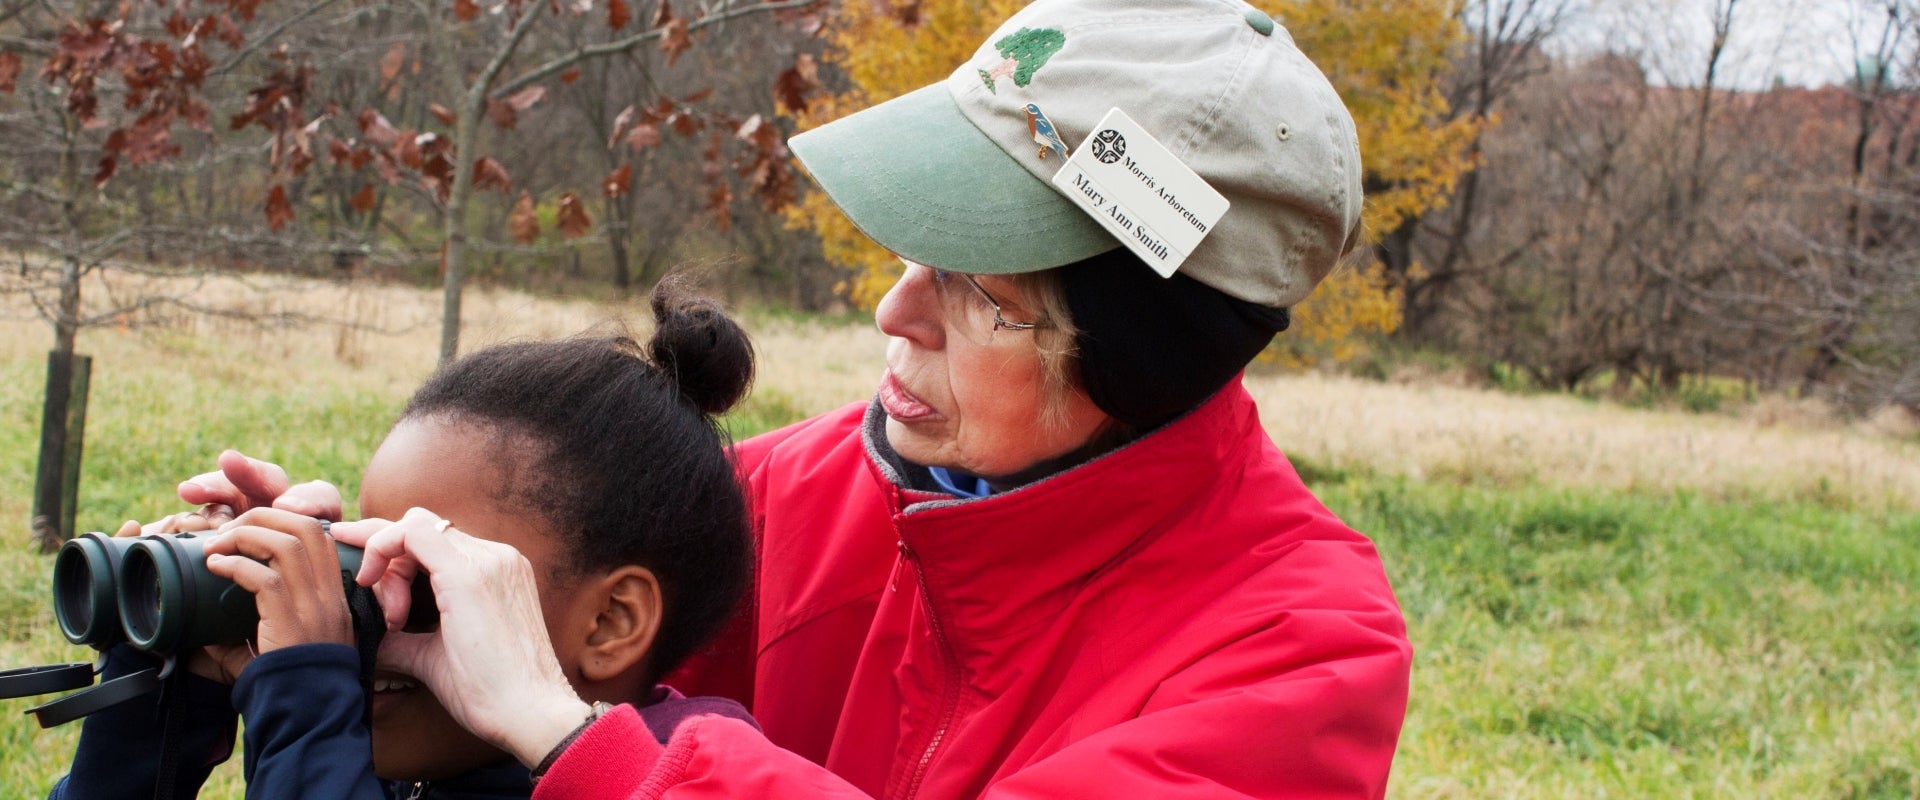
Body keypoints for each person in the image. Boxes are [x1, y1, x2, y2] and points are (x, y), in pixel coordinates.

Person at [195, 0, 1414, 796]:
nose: (897, 312)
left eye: (978, 289)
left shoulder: (1296, 653)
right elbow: (542, 653)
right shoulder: (786, 493)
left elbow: (566, 715)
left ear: (1141, 354)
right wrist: (338, 598)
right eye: (911, 252)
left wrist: (585, 746)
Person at [51, 283, 760, 799]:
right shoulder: (428, 764)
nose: (371, 608)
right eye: (359, 556)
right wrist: (166, 694)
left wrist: (305, 697)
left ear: (611, 622)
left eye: (423, 577)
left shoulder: (682, 774)